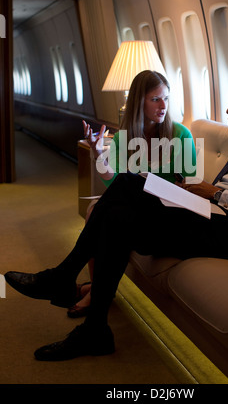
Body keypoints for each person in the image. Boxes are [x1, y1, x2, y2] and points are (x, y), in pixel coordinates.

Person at [5, 79, 228, 361]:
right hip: (215, 217)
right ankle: (93, 328)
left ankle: (63, 278)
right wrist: (198, 193)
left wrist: (215, 193)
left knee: (128, 184)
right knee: (117, 217)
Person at [65, 70, 197, 317]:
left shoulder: (180, 134)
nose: (163, 106)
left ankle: (91, 288)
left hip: (166, 207)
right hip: (134, 202)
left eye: (166, 99)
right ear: (139, 101)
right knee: (96, 208)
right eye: (155, 99)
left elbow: (190, 185)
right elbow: (113, 183)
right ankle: (97, 288)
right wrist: (98, 156)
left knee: (105, 213)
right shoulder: (124, 137)